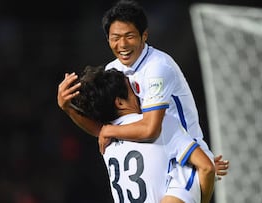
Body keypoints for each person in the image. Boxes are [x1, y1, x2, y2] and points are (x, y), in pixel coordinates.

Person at [57, 0, 229, 197]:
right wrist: (68, 108)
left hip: (183, 157)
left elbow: (150, 128)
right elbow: (101, 133)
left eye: (129, 36)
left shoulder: (157, 67)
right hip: (153, 154)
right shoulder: (113, 73)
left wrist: (110, 129)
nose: (122, 44)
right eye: (116, 37)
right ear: (107, 39)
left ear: (144, 35)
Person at [71, 65, 215, 203]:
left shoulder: (106, 143)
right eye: (133, 89)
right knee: (186, 171)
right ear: (120, 103)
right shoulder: (163, 123)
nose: (139, 94)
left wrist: (67, 107)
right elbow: (207, 168)